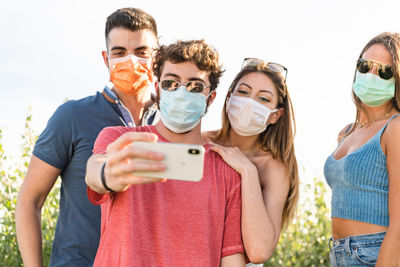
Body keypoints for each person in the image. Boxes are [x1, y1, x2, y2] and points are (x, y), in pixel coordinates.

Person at [15, 8, 159, 266]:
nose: (131, 61)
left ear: (156, 58)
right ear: (106, 58)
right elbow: (30, 200)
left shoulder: (170, 126)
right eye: (119, 52)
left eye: (141, 52)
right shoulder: (71, 117)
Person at [85, 39, 246, 266]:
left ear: (210, 98)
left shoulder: (227, 170)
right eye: (171, 83)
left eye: (195, 86)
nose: (181, 93)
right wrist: (106, 174)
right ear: (158, 89)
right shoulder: (120, 140)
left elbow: (231, 258)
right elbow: (95, 171)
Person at [205, 58, 299, 265]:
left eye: (263, 99)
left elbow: (260, 250)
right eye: (244, 92)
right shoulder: (201, 143)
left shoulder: (273, 169)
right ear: (229, 98)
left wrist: (248, 171)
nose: (250, 103)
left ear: (276, 115)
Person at [324, 32, 400, 266]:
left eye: (384, 71)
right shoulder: (345, 133)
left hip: (373, 253)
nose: (371, 75)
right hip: (339, 252)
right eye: (365, 66)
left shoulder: (395, 128)